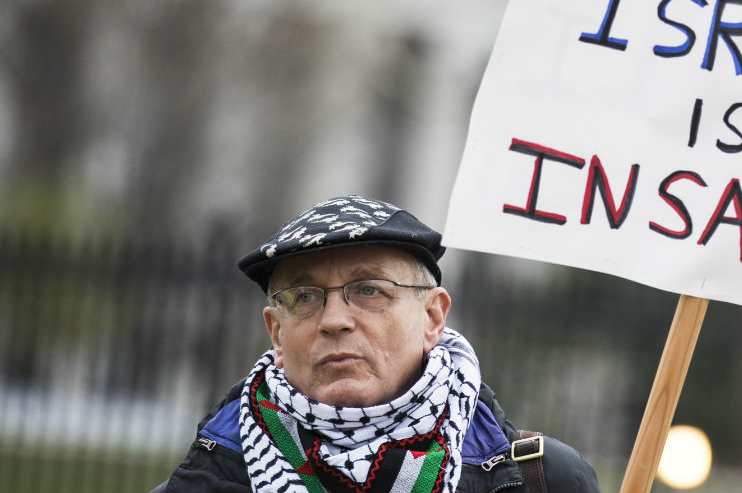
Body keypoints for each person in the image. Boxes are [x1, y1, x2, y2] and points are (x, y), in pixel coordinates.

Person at [159, 195, 600, 493]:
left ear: (432, 318)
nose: (334, 321)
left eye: (370, 290)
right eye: (305, 297)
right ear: (276, 332)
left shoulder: (540, 481)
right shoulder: (207, 479)